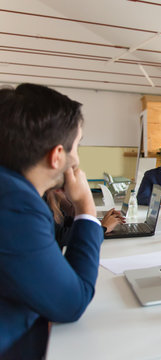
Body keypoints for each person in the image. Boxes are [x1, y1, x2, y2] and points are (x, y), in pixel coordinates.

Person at [0, 83, 104, 359]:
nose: (77, 158)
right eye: (77, 145)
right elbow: (71, 303)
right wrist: (85, 205)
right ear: (57, 155)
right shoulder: (16, 207)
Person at [45, 189, 124, 249]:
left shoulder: (52, 200)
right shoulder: (43, 200)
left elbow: (68, 223)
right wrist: (102, 228)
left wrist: (97, 224)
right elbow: (61, 237)